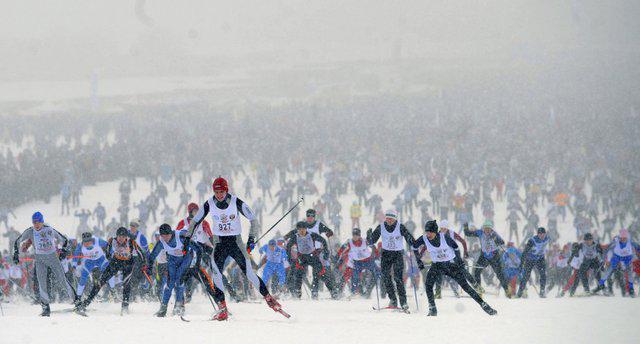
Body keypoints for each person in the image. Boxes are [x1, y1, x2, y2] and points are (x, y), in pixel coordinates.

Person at [186, 177, 286, 320]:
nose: (219, 194)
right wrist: (186, 238)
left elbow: (253, 219)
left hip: (235, 243)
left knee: (249, 273)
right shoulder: (209, 203)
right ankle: (222, 308)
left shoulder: (235, 201)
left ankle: (270, 299)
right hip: (219, 243)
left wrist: (251, 238)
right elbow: (195, 221)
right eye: (216, 191)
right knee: (216, 274)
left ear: (227, 190)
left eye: (222, 191)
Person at [413, 220, 496, 316]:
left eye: (430, 232)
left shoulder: (445, 237)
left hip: (450, 265)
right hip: (437, 265)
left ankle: (484, 305)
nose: (428, 234)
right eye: (427, 232)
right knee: (428, 285)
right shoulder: (424, 238)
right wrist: (418, 260)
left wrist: (459, 260)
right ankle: (432, 309)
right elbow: (414, 246)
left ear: (435, 231)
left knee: (466, 287)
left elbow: (456, 247)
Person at [13, 212, 80, 316]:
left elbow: (64, 240)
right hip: (40, 260)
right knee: (41, 282)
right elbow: (17, 240)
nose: (36, 224)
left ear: (42, 221)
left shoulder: (49, 229)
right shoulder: (30, 231)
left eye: (38, 222)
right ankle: (45, 307)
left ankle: (77, 301)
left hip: (53, 258)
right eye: (34, 222)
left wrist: (63, 251)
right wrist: (16, 254)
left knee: (62, 280)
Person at [76, 227, 147, 314]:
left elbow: (141, 253)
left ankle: (124, 307)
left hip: (128, 263)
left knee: (126, 284)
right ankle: (86, 303)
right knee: (100, 282)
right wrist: (109, 257)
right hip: (116, 262)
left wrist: (143, 264)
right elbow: (108, 252)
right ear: (116, 236)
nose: (120, 239)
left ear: (126, 237)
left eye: (123, 237)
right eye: (119, 236)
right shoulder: (111, 241)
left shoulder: (131, 242)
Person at [367, 209, 415, 310]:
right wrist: (369, 236)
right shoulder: (381, 226)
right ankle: (393, 300)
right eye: (387, 218)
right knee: (385, 277)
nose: (389, 220)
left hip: (398, 254)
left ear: (395, 219)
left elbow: (409, 238)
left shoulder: (400, 227)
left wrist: (411, 242)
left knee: (398, 278)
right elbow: (372, 241)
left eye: (391, 219)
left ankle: (403, 302)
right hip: (386, 254)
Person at [148, 224, 198, 317]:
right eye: (163, 236)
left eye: (167, 235)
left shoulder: (181, 236)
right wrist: (149, 267)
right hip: (172, 260)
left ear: (171, 233)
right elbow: (153, 255)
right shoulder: (161, 242)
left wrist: (197, 264)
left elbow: (198, 249)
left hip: (185, 259)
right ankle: (163, 308)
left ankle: (179, 306)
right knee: (170, 283)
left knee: (179, 280)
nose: (165, 238)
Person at [286, 221, 337, 299]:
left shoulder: (312, 235)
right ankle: (297, 293)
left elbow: (323, 240)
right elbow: (288, 247)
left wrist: (326, 251)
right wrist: (289, 258)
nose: (302, 231)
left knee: (322, 273)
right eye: (300, 230)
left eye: (303, 229)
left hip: (313, 256)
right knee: (298, 275)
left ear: (306, 229)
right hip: (302, 258)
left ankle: (333, 292)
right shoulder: (295, 237)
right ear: (297, 230)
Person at [463, 220, 511, 297]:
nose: (487, 230)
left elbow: (502, 242)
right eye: (485, 228)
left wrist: (496, 240)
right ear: (483, 228)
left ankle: (507, 290)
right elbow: (468, 233)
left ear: (491, 229)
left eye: (489, 229)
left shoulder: (494, 234)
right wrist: (465, 227)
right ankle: (479, 290)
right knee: (477, 272)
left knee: (499, 274)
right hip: (484, 256)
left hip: (494, 256)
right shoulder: (480, 232)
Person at [593, 229, 639, 296]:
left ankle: (631, 289)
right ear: (620, 237)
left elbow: (638, 247)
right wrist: (608, 260)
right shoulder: (615, 241)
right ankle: (600, 285)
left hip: (627, 257)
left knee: (629, 271)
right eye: (622, 238)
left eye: (624, 238)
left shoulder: (630, 241)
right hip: (617, 256)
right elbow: (609, 250)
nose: (623, 239)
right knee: (609, 270)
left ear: (627, 237)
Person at [73, 232, 113, 297]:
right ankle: (78, 297)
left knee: (109, 272)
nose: (86, 243)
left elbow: (108, 246)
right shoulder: (80, 245)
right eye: (85, 241)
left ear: (91, 239)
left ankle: (113, 291)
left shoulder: (98, 241)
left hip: (100, 260)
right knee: (83, 277)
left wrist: (112, 255)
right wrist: (74, 266)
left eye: (88, 241)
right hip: (89, 262)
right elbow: (75, 256)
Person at [341, 228, 378, 296]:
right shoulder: (349, 242)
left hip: (368, 260)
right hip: (358, 262)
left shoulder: (364, 241)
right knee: (355, 276)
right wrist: (337, 257)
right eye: (354, 235)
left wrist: (369, 236)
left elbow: (372, 244)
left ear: (359, 235)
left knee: (377, 273)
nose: (355, 237)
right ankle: (354, 292)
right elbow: (342, 249)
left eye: (357, 235)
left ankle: (368, 292)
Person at [517, 227, 550, 298]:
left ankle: (542, 291)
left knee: (543, 274)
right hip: (530, 259)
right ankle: (520, 292)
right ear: (537, 234)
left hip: (540, 258)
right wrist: (521, 264)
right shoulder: (532, 241)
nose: (542, 236)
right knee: (526, 276)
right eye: (540, 234)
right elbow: (524, 253)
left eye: (543, 234)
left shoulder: (547, 238)